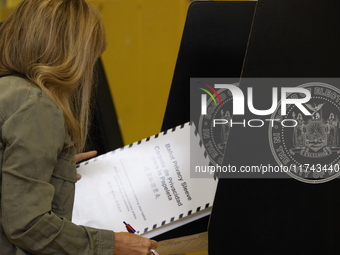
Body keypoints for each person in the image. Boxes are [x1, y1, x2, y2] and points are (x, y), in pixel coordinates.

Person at [0, 0, 158, 254]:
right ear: (69, 53)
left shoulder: (8, 92)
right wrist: (112, 244)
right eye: (89, 57)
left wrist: (53, 165)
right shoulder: (36, 105)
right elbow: (27, 224)